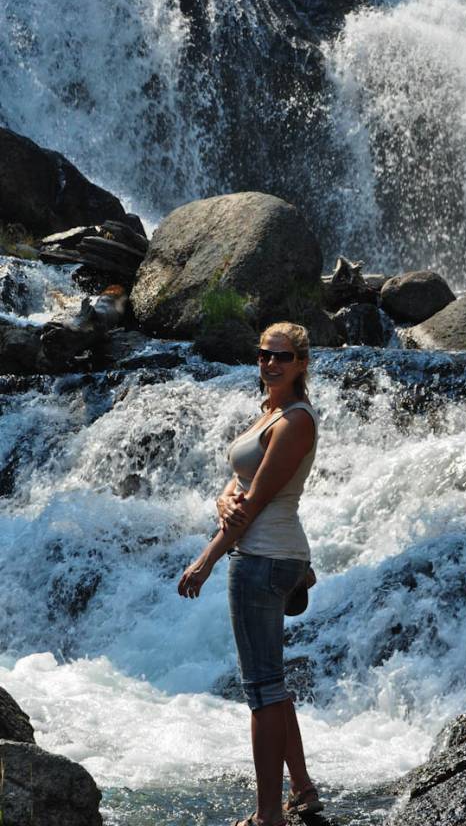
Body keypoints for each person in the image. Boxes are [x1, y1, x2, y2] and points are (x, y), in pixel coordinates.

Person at [178, 321, 323, 826]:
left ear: (302, 363)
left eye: (282, 357)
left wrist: (206, 559)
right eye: (264, 355)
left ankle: (267, 817)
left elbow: (256, 504)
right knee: (273, 685)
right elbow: (242, 484)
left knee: (261, 690)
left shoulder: (295, 421)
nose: (271, 364)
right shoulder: (271, 413)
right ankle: (301, 789)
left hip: (262, 557)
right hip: (269, 554)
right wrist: (222, 496)